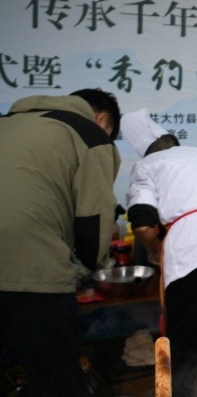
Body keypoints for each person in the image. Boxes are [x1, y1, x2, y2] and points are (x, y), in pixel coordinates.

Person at [0, 88, 121, 397]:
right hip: (31, 269)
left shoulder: (7, 122)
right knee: (57, 380)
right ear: (101, 119)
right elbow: (93, 221)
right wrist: (95, 268)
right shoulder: (90, 134)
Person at [121, 108, 197, 397]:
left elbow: (142, 224)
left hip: (192, 253)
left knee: (182, 339)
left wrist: (156, 252)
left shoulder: (148, 166)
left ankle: (177, 392)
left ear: (148, 153)